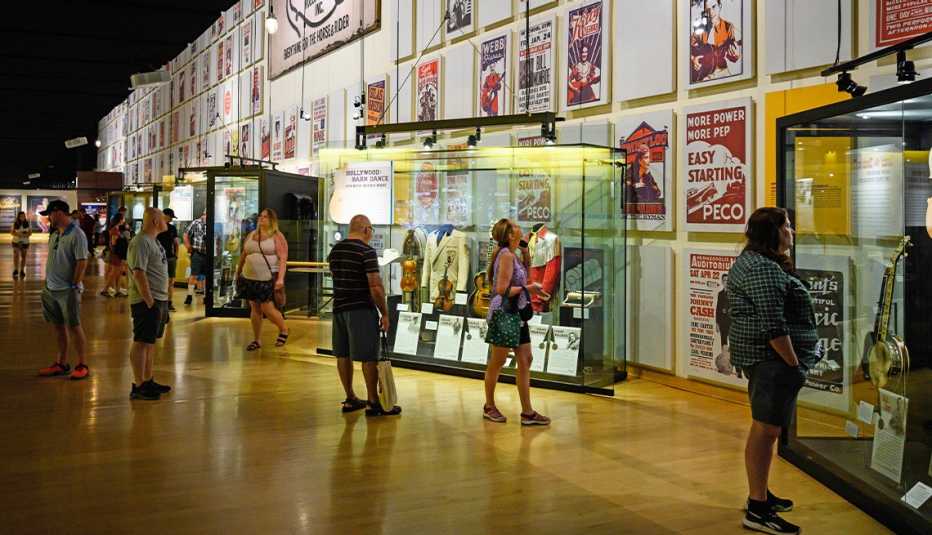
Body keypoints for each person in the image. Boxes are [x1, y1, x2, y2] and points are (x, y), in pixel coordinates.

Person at [728, 207, 818, 535]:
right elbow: (774, 325)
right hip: (773, 362)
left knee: (765, 429)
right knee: (766, 431)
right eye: (787, 227)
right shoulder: (763, 269)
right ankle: (757, 508)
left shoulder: (755, 263)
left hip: (768, 361)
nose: (792, 232)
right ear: (774, 233)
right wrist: (793, 364)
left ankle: (760, 493)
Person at [327, 214, 399, 416]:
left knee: (343, 354)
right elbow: (375, 286)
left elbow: (334, 275)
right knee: (369, 356)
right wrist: (384, 313)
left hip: (339, 308)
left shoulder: (335, 250)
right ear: (366, 229)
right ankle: (373, 402)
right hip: (360, 308)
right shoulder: (366, 251)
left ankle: (350, 397)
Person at [482, 218, 551, 426]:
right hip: (505, 313)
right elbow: (502, 290)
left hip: (517, 313)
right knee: (498, 360)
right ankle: (489, 405)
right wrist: (528, 289)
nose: (520, 228)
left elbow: (519, 281)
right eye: (515, 227)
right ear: (510, 235)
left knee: (525, 358)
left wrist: (526, 255)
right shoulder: (505, 257)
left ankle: (527, 412)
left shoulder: (513, 255)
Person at [37, 200, 90, 380]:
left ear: (58, 213)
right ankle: (61, 363)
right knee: (58, 328)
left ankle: (82, 364)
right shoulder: (55, 234)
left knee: (74, 327)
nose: (48, 219)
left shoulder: (77, 234)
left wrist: (74, 285)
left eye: (49, 215)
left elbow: (82, 261)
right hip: (51, 289)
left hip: (67, 290)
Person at [127, 207, 172, 400]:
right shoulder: (141, 242)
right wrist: (149, 300)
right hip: (148, 301)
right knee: (142, 341)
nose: (166, 222)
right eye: (163, 219)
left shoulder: (153, 241)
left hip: (158, 299)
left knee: (150, 343)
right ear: (155, 221)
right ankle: (139, 384)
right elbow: (138, 272)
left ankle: (147, 379)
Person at [236, 208, 289, 351]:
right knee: (254, 307)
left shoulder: (277, 236)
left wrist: (281, 279)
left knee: (268, 308)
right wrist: (238, 271)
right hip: (249, 277)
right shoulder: (252, 234)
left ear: (272, 220)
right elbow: (244, 254)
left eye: (265, 217)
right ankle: (257, 339)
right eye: (260, 216)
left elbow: (283, 258)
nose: (261, 219)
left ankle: (283, 328)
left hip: (267, 277)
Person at [690, 0, 740, 83]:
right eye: (708, 10)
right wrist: (693, 59)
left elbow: (734, 56)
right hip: (703, 73)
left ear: (720, 6)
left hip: (721, 72)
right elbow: (685, 48)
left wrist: (736, 55)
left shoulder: (728, 26)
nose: (711, 12)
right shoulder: (701, 27)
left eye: (713, 7)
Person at [102, 213, 130, 297]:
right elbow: (113, 243)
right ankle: (105, 290)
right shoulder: (115, 230)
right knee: (114, 272)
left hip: (116, 254)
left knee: (118, 272)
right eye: (123, 218)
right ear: (120, 220)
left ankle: (117, 290)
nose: (124, 220)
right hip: (116, 255)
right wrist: (116, 252)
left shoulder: (116, 228)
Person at [157, 208, 180, 311]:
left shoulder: (172, 228)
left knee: (171, 281)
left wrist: (176, 255)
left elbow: (176, 243)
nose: (171, 219)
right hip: (159, 258)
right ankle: (162, 302)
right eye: (170, 217)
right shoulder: (157, 227)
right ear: (165, 215)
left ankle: (169, 302)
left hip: (170, 258)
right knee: (161, 281)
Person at [183, 211, 208, 306]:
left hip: (208, 254)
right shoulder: (196, 222)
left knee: (206, 276)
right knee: (194, 274)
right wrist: (188, 247)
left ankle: (206, 296)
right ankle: (189, 295)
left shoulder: (212, 223)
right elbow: (186, 234)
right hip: (197, 252)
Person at [10, 211, 31, 279]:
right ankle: (16, 269)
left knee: (23, 256)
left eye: (23, 216)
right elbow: (12, 232)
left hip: (25, 242)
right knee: (16, 256)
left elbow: (30, 233)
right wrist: (18, 234)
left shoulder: (27, 223)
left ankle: (22, 270)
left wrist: (24, 235)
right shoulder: (15, 223)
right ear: (18, 217)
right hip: (16, 241)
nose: (22, 217)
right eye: (21, 216)